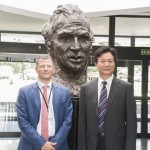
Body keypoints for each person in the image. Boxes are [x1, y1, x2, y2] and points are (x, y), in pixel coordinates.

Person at [78, 46, 137, 150]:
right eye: (103, 61)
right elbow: (82, 123)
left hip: (117, 144)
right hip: (91, 144)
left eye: (110, 61)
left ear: (114, 63)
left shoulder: (126, 88)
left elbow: (131, 123)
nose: (106, 64)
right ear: (96, 64)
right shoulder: (85, 88)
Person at [16, 55, 73, 150]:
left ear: (54, 69)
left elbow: (67, 120)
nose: (46, 69)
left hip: (57, 145)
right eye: (42, 66)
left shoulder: (64, 92)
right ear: (36, 69)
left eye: (49, 66)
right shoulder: (24, 92)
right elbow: (22, 121)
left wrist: (54, 144)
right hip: (31, 144)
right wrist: (41, 143)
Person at [42, 4, 94, 97]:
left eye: (83, 38)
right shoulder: (43, 91)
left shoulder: (96, 91)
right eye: (65, 38)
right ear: (50, 44)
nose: (76, 47)